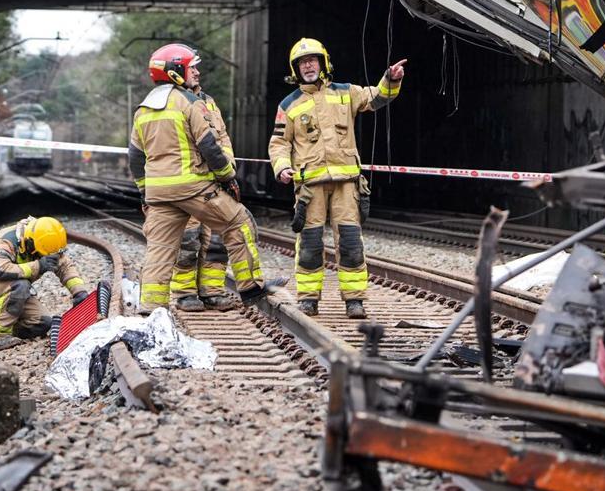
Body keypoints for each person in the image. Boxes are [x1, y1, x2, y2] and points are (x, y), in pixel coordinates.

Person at [129, 43, 279, 313]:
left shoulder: (143, 109)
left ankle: (150, 309)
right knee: (239, 223)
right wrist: (227, 177)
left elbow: (135, 157)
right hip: (193, 187)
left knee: (160, 250)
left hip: (159, 194)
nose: (196, 71)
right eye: (191, 67)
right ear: (176, 72)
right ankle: (251, 289)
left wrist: (144, 194)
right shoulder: (189, 102)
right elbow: (209, 145)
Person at [268, 38, 406, 319]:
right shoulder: (289, 105)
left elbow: (376, 98)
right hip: (310, 188)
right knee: (310, 244)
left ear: (323, 63)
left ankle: (354, 300)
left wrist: (390, 79)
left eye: (313, 60)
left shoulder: (346, 93)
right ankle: (308, 299)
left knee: (351, 242)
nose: (308, 66)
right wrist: (281, 167)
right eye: (302, 63)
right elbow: (279, 143)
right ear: (295, 69)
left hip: (346, 184)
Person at [169, 76, 241, 312]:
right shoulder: (171, 101)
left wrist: (228, 166)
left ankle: (212, 292)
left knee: (216, 241)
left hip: (214, 184)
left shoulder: (208, 101)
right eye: (192, 68)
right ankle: (185, 294)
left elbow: (222, 137)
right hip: (188, 185)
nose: (197, 73)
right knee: (188, 241)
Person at [0, 215, 91, 339]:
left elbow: (64, 265)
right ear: (30, 243)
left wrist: (79, 291)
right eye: (39, 254)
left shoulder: (42, 240)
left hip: (11, 289)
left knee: (42, 323)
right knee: (20, 285)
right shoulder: (6, 241)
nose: (41, 256)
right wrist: (38, 266)